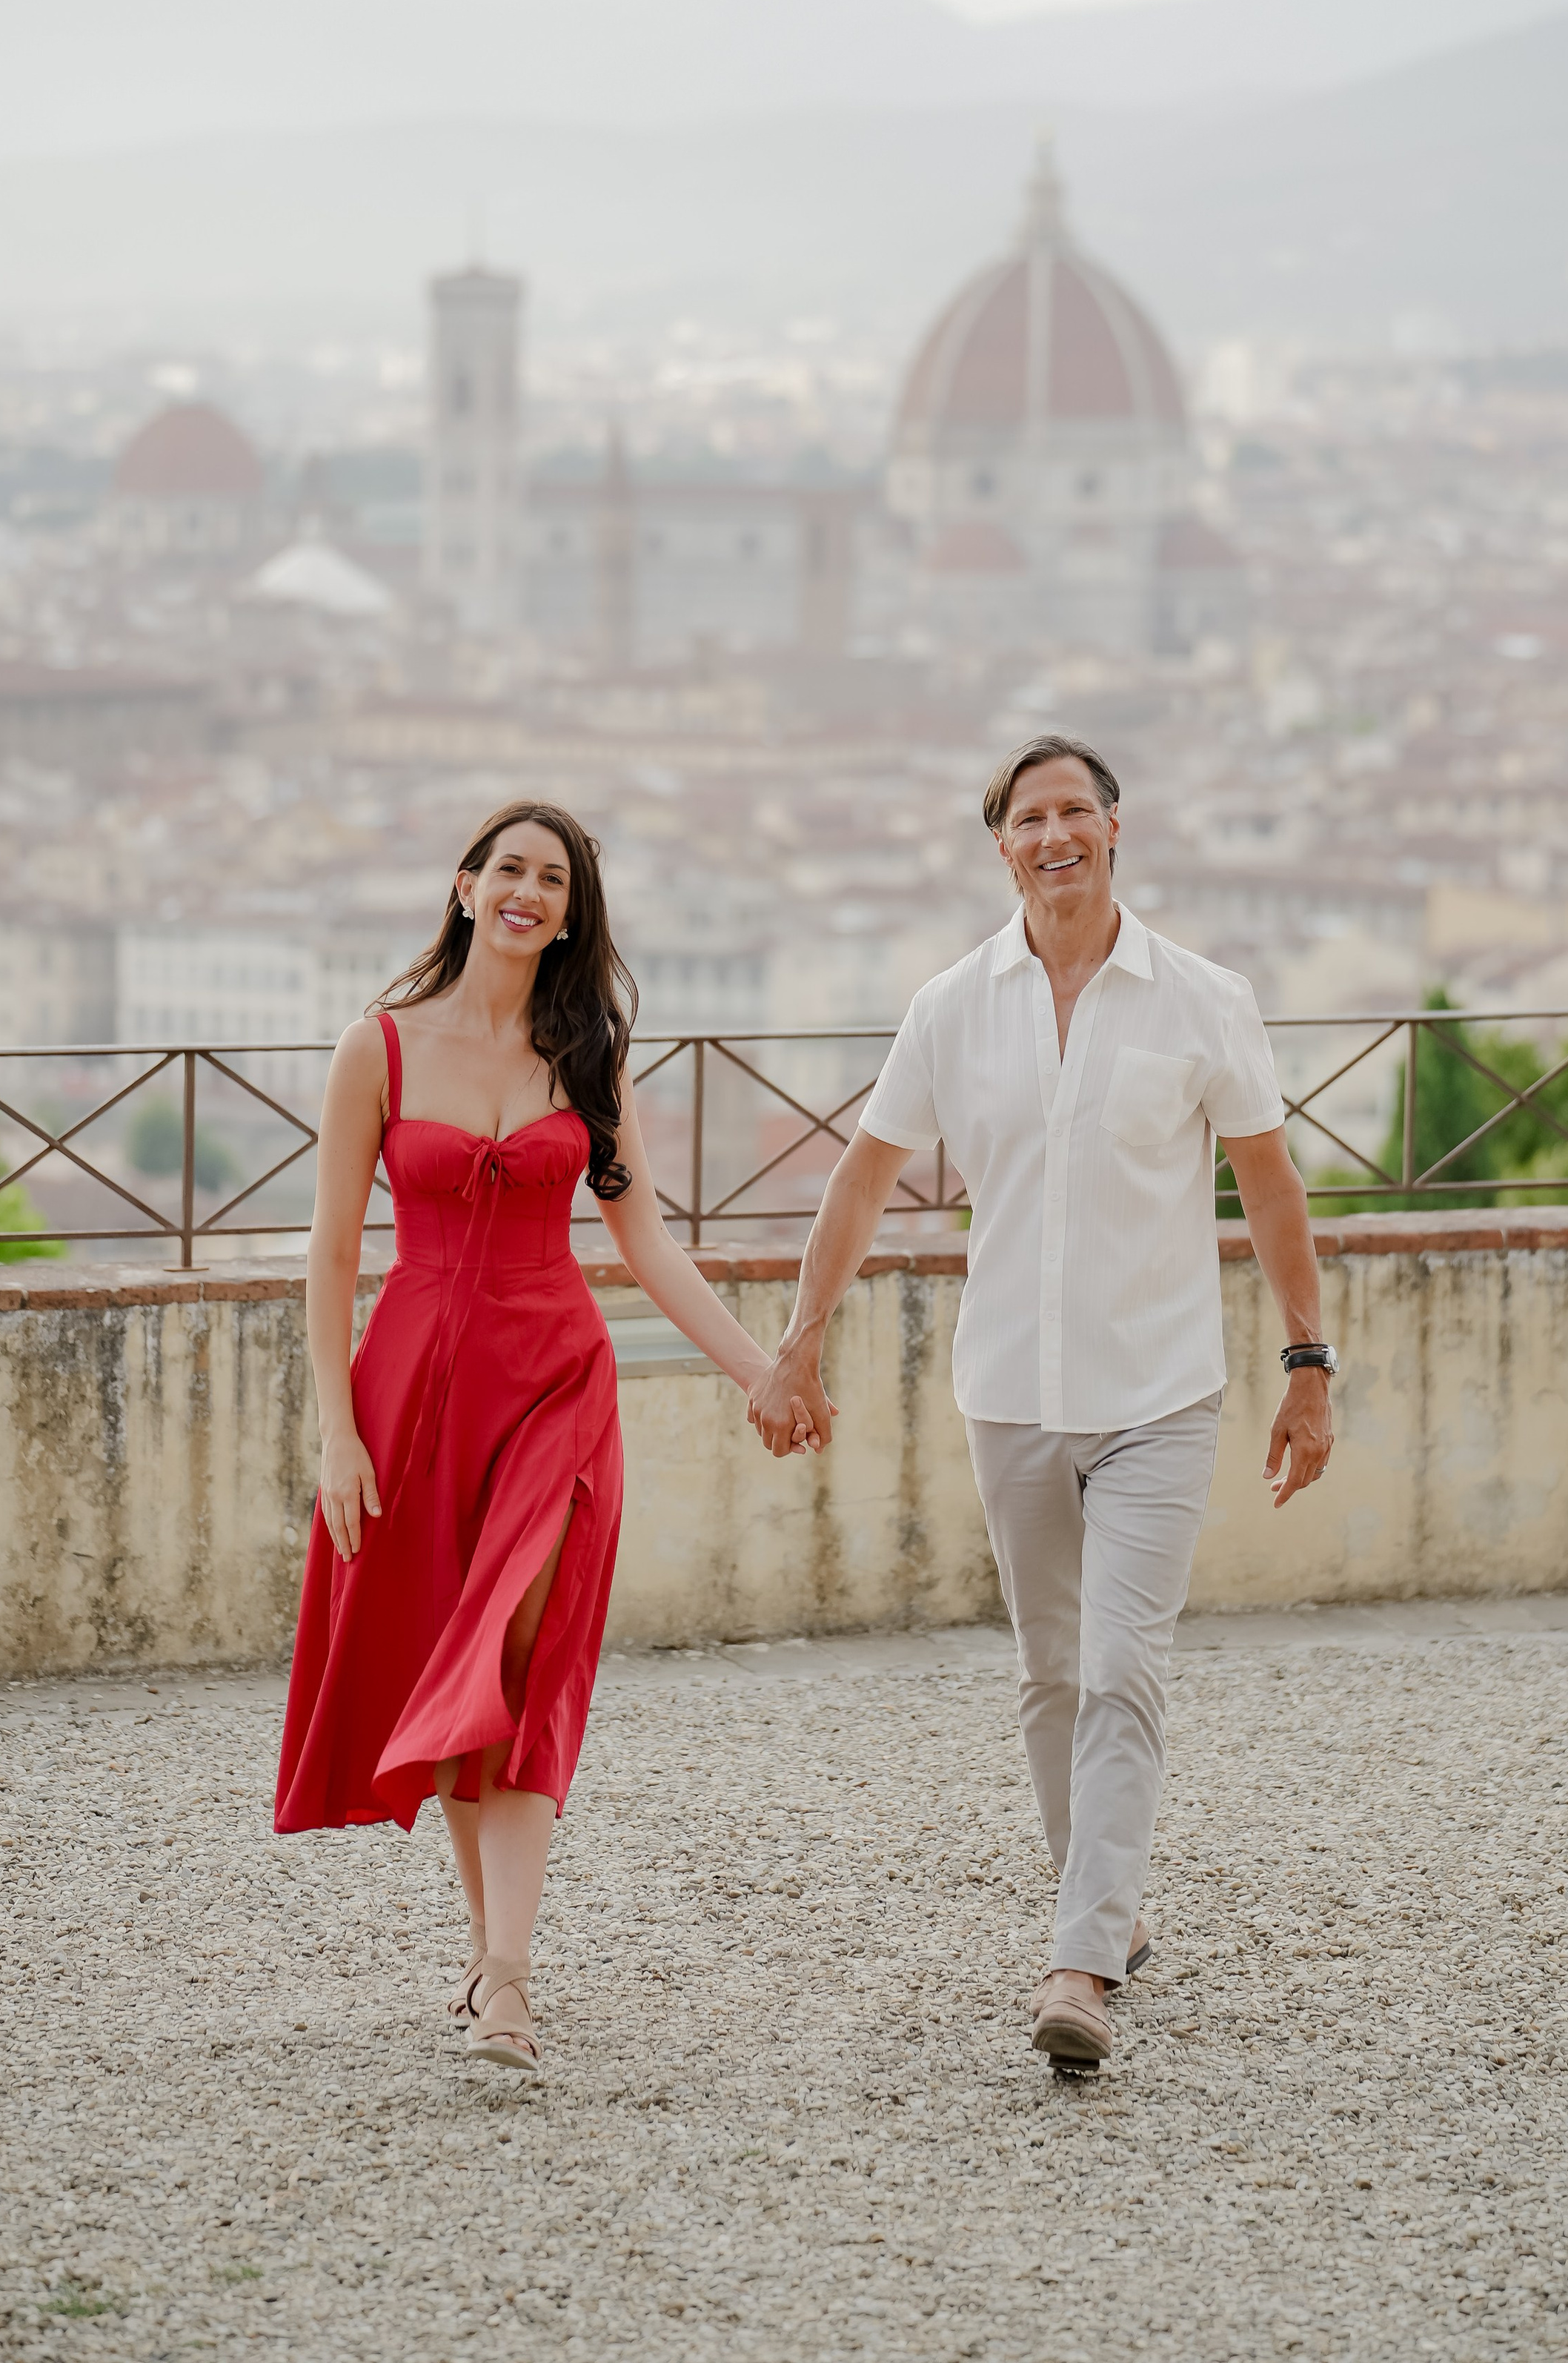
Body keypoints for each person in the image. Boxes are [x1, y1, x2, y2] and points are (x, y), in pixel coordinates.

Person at [748, 735, 1333, 2072]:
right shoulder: (952, 1005)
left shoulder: (1202, 998)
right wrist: (799, 1341)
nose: (1055, 833)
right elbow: (863, 1177)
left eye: (1076, 810)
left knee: (1125, 1670)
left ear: (1119, 828)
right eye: (1029, 817)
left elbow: (1272, 1184)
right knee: (1047, 1677)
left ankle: (1078, 1961)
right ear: (1001, 845)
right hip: (1008, 1390)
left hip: (1159, 1393)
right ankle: (1108, 1912)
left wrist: (1310, 1364)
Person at [276, 798, 779, 2074]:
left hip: (555, 1382)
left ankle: (508, 1983)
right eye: (510, 869)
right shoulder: (375, 1047)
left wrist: (760, 1372)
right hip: (412, 1396)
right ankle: (493, 1959)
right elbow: (333, 1255)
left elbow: (645, 1241)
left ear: (570, 910)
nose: (529, 892)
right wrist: (337, 1433)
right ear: (464, 887)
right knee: (462, 1674)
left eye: (553, 879)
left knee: (519, 1641)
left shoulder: (588, 1056)